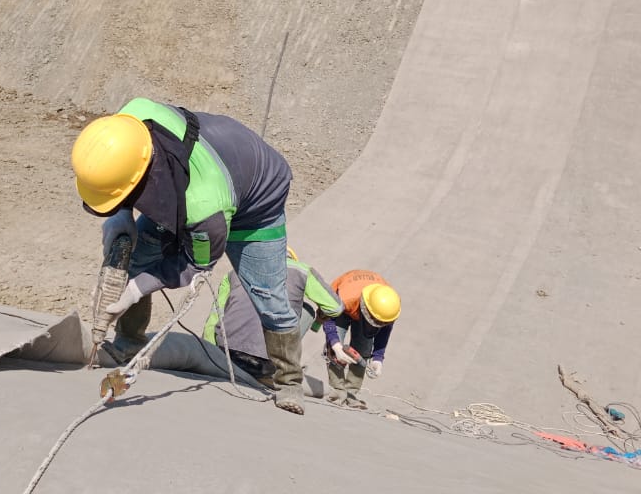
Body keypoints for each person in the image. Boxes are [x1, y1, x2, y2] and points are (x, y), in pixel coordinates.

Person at [71, 97, 305, 414]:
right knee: (137, 258)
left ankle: (289, 381)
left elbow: (195, 265)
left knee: (269, 298)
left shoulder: (203, 208)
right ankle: (128, 343)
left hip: (258, 203)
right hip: (211, 164)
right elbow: (122, 176)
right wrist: (120, 215)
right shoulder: (127, 124)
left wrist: (135, 290)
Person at [202, 247, 344, 387]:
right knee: (306, 309)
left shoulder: (234, 271)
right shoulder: (301, 270)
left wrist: (209, 354)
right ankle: (284, 363)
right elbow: (335, 308)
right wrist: (322, 315)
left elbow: (216, 315)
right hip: (264, 365)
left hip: (226, 353)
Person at [322, 269, 401, 409]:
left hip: (367, 306)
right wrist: (335, 344)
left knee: (364, 348)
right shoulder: (345, 298)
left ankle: (351, 394)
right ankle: (337, 391)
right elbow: (328, 318)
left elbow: (385, 330)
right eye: (374, 320)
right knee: (334, 349)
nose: (377, 324)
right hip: (340, 307)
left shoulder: (389, 307)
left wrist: (378, 358)